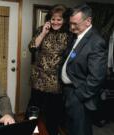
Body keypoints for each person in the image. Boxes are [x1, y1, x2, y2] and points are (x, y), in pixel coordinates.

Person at [60, 4, 108, 135]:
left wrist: (79, 96)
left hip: (80, 97)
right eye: (70, 23)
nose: (71, 27)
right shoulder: (77, 35)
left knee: (80, 131)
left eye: (75, 24)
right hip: (69, 92)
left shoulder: (96, 42)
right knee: (71, 129)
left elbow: (97, 78)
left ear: (88, 21)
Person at [27, 4, 72, 135]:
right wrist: (43, 33)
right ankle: (29, 131)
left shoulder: (69, 34)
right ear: (49, 19)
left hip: (56, 81)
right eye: (53, 19)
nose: (55, 22)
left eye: (59, 19)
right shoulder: (41, 29)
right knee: (33, 110)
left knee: (53, 114)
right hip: (39, 79)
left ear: (64, 20)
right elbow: (32, 48)